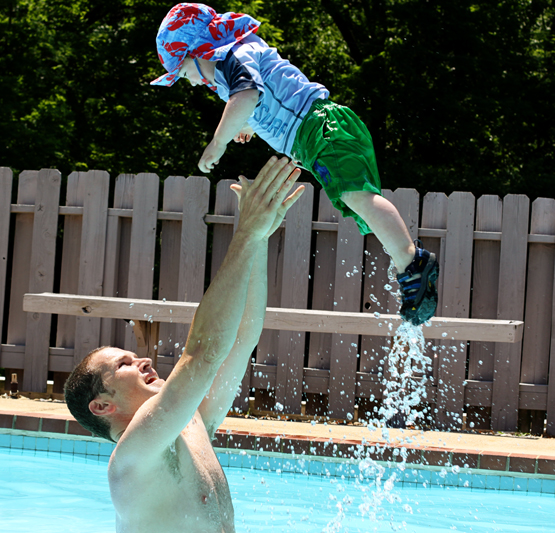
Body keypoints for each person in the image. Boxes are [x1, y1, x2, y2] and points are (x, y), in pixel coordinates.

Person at [151, 3, 439, 325]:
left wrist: (218, 142)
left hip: (321, 128)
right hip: (316, 135)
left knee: (357, 196)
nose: (191, 82)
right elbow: (264, 94)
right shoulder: (234, 64)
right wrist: (247, 124)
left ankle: (413, 263)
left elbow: (247, 95)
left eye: (184, 73)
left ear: (197, 52)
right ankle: (409, 271)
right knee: (356, 203)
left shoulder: (235, 57)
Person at [64, 156, 305, 533]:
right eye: (124, 364)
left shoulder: (191, 424)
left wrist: (259, 238)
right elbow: (203, 355)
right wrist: (245, 233)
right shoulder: (132, 458)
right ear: (102, 406)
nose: (143, 361)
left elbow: (241, 338)